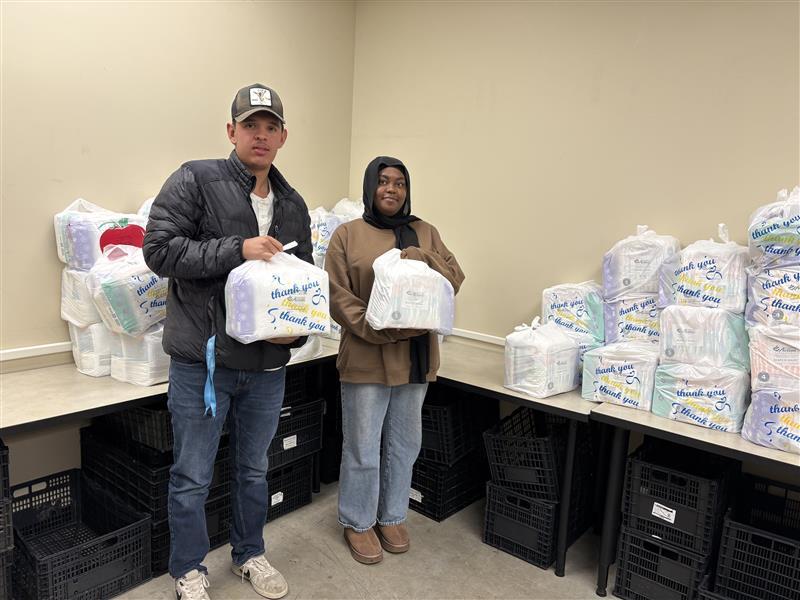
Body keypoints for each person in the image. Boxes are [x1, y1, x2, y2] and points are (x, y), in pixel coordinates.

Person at [143, 83, 312, 600]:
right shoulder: (196, 179)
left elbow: (303, 284)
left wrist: (298, 330)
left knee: (254, 469)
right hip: (205, 362)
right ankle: (188, 568)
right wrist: (237, 249)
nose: (260, 136)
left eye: (270, 127)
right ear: (231, 131)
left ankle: (249, 554)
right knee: (193, 475)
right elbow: (159, 251)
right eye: (250, 125)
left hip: (266, 365)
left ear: (283, 137)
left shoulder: (293, 204)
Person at [324, 156, 465, 564]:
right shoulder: (348, 235)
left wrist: (424, 257)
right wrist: (378, 329)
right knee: (363, 445)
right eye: (383, 181)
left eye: (400, 183)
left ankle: (392, 515)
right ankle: (357, 520)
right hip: (367, 354)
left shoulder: (425, 231)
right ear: (371, 187)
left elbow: (454, 279)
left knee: (405, 443)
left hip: (415, 356)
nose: (391, 189)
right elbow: (336, 295)